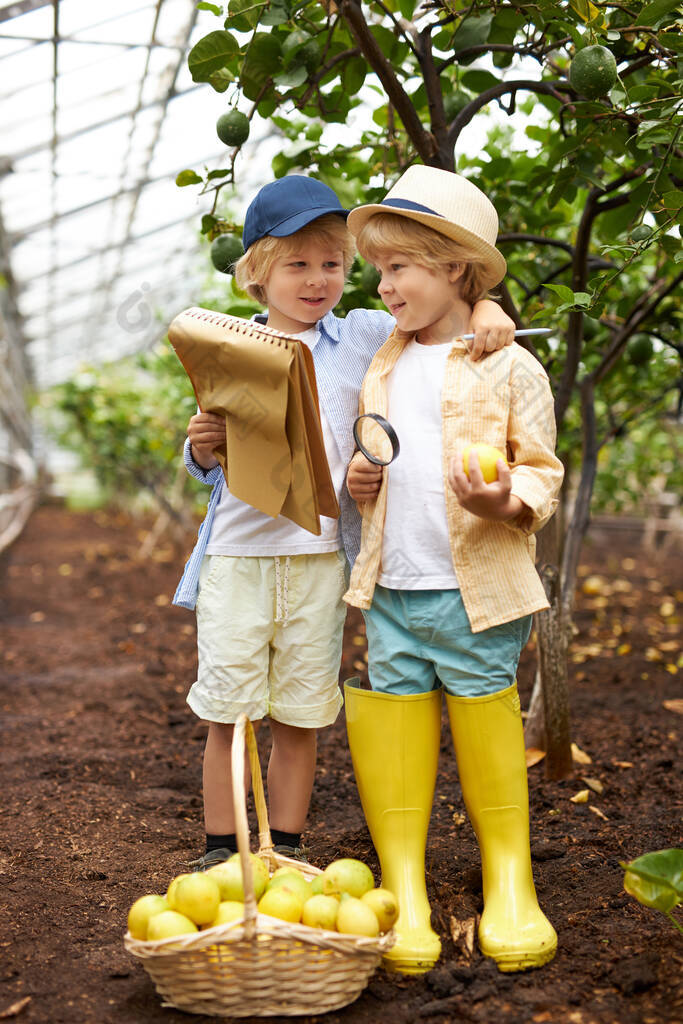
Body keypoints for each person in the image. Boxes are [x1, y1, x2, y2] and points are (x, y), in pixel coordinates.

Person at [172, 174, 516, 870]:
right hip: (238, 555)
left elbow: (437, 313)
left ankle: (287, 847)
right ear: (256, 274)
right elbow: (207, 453)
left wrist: (486, 308)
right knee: (227, 711)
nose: (316, 278)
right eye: (296, 264)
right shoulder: (228, 347)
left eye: (331, 263)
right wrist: (200, 446)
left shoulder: (362, 335)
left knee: (303, 712)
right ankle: (219, 851)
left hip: (321, 560)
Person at [343, 165, 564, 974]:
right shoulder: (382, 358)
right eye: (379, 269)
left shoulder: (509, 366)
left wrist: (507, 503)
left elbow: (540, 468)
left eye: (399, 266)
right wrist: (360, 480)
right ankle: (404, 887)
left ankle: (509, 879)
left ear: (453, 270)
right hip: (392, 588)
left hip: (477, 591)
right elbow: (377, 453)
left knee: (483, 716)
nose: (383, 284)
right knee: (395, 722)